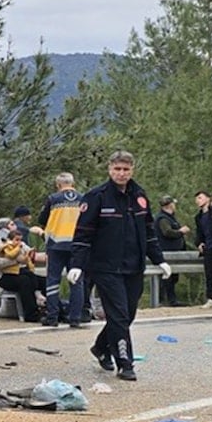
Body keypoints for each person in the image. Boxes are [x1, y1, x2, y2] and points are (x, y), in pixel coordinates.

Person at [67, 151, 171, 381]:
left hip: (134, 266)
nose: (121, 173)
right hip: (105, 267)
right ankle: (125, 363)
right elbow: (82, 235)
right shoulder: (96, 197)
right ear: (109, 169)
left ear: (132, 170)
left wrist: (160, 259)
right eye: (117, 169)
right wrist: (77, 265)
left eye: (125, 169)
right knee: (119, 315)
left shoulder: (139, 195)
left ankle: (101, 346)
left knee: (127, 315)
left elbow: (149, 232)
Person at [35, 172, 85, 326]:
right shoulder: (83, 198)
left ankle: (52, 317)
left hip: (56, 244)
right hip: (77, 245)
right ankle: (75, 318)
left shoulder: (53, 199)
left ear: (58, 185)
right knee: (76, 282)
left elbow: (42, 219)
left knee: (53, 281)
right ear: (73, 183)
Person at [0, 224, 41, 323]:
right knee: (24, 281)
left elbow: (29, 253)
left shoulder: (19, 242)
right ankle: (31, 314)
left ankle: (56, 311)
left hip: (19, 272)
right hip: (2, 276)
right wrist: (17, 261)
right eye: (11, 224)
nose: (15, 226)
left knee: (39, 279)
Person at [153, 195, 191, 306]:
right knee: (167, 278)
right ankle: (167, 300)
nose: (175, 206)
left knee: (171, 278)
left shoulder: (169, 218)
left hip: (173, 252)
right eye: (173, 204)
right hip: (167, 252)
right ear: (169, 205)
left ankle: (168, 300)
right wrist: (181, 231)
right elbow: (167, 232)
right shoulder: (163, 219)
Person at [196, 189, 212, 309]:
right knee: (210, 275)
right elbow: (199, 233)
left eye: (200, 197)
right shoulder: (199, 217)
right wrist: (200, 243)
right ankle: (211, 299)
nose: (198, 200)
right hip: (209, 248)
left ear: (207, 198)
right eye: (197, 198)